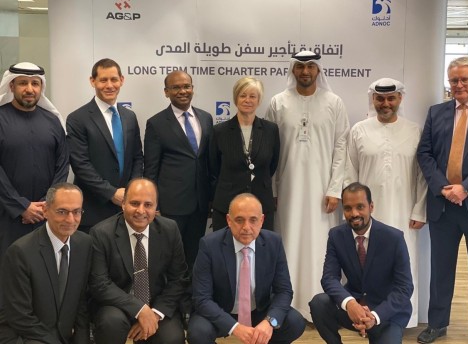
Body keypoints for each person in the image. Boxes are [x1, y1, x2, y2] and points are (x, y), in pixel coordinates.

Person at [264, 50, 350, 320]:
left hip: (323, 192)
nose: (305, 72)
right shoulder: (278, 103)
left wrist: (335, 189)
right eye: (300, 67)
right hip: (287, 190)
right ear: (292, 70)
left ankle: (319, 304)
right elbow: (270, 150)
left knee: (320, 245)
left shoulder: (334, 102)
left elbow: (341, 146)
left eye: (311, 66)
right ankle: (287, 304)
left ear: (318, 70)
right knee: (288, 242)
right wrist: (274, 190)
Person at [344, 78, 427, 327]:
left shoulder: (414, 130)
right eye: (380, 98)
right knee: (369, 266)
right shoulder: (359, 129)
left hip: (404, 212)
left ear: (400, 99)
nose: (386, 103)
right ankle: (369, 316)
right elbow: (350, 174)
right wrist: (353, 212)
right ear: (373, 99)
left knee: (404, 266)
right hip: (367, 217)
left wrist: (420, 210)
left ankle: (403, 318)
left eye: (391, 98)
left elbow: (422, 176)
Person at [416, 56, 468, 343]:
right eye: (454, 79)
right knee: (440, 270)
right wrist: (443, 187)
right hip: (442, 206)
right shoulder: (436, 112)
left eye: (465, 79)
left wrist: (465, 187)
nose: (459, 85)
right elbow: (425, 153)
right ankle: (437, 324)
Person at [187, 193, 305, 344]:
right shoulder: (209, 245)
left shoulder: (273, 243)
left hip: (259, 311)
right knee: (198, 332)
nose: (246, 227)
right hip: (222, 311)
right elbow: (201, 298)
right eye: (239, 220)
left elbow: (284, 291)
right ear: (229, 220)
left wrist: (269, 322)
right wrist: (235, 327)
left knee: (295, 322)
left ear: (262, 220)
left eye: (253, 220)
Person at [309, 182, 413, 344]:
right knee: (319, 303)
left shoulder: (394, 238)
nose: (354, 213)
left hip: (386, 314)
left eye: (360, 207)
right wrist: (350, 304)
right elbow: (329, 278)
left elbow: (404, 288)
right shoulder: (336, 236)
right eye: (348, 208)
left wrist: (375, 317)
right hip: (355, 306)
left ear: (371, 207)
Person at [89, 178, 189, 344]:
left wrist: (155, 313)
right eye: (134, 203)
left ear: (156, 207)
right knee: (110, 323)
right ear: (123, 204)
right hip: (116, 305)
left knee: (172, 338)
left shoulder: (170, 230)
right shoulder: (101, 233)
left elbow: (179, 279)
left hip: (155, 304)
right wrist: (140, 309)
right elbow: (99, 284)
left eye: (148, 205)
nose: (141, 210)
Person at [0, 182, 92, 344]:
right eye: (62, 211)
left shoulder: (85, 244)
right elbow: (20, 316)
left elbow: (81, 304)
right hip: (26, 335)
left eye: (76, 212)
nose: (70, 219)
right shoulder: (20, 252)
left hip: (62, 334)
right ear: (45, 210)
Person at [144, 70, 213, 273]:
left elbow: (208, 161)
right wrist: (152, 202)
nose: (182, 91)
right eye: (176, 87)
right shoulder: (156, 123)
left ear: (192, 88)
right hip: (171, 206)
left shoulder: (206, 118)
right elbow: (151, 167)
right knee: (169, 259)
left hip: (200, 204)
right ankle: (169, 304)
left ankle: (191, 301)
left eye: (186, 86)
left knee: (194, 258)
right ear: (166, 92)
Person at [0, 62, 69, 259]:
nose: (29, 89)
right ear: (11, 86)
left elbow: (63, 165)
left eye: (35, 84)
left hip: (47, 215)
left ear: (41, 87)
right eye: (23, 83)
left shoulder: (53, 121)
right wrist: (21, 206)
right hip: (7, 215)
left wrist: (48, 203)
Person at [66, 58, 143, 232]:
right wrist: (111, 193)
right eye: (103, 80)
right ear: (92, 81)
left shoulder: (130, 117)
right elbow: (80, 164)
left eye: (114, 79)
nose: (109, 85)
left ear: (122, 80)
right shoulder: (77, 118)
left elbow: (137, 157)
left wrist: (131, 192)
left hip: (126, 210)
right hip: (94, 209)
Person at [209, 77, 280, 231]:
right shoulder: (219, 131)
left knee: (261, 252)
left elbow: (272, 164)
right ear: (236, 98)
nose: (247, 100)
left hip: (261, 205)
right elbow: (213, 169)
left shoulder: (271, 130)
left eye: (252, 96)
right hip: (227, 206)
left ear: (259, 100)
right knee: (225, 251)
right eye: (243, 95)